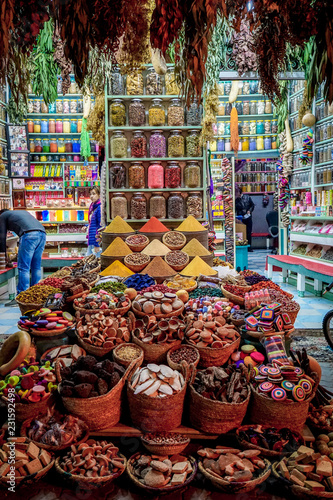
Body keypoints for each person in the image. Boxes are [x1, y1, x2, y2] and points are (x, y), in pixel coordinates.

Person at [0, 209, 46, 304]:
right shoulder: (18, 213)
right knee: (36, 267)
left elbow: (2, 237)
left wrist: (3, 257)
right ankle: (35, 295)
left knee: (23, 268)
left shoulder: (2, 216)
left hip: (29, 235)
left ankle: (22, 297)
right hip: (42, 233)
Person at [235, 187, 255, 252]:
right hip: (240, 218)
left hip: (248, 217)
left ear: (239, 192)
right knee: (241, 232)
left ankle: (249, 246)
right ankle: (242, 244)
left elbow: (252, 205)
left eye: (237, 192)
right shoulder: (236, 200)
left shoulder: (247, 197)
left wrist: (249, 210)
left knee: (249, 232)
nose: (236, 194)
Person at [87, 186, 101, 257]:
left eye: (94, 194)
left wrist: (97, 244)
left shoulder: (99, 208)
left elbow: (100, 226)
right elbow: (92, 223)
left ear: (99, 195)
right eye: (90, 194)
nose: (91, 196)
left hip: (95, 242)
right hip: (91, 240)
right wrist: (86, 226)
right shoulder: (92, 207)